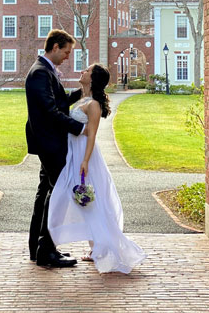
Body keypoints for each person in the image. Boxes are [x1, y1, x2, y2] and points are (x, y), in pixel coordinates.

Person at [48, 63, 147, 274]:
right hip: (73, 152)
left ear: (92, 79)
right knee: (81, 199)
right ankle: (89, 246)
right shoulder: (82, 99)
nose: (82, 72)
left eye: (87, 71)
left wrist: (85, 160)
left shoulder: (93, 104)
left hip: (85, 154)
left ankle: (97, 248)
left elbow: (92, 134)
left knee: (88, 199)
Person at [25, 29, 85, 268]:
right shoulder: (40, 72)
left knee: (44, 193)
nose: (68, 57)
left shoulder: (44, 70)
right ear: (56, 47)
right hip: (49, 142)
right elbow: (51, 112)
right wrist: (80, 129)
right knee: (58, 193)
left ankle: (36, 247)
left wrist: (83, 92)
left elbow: (58, 102)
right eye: (67, 52)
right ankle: (47, 250)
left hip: (46, 142)